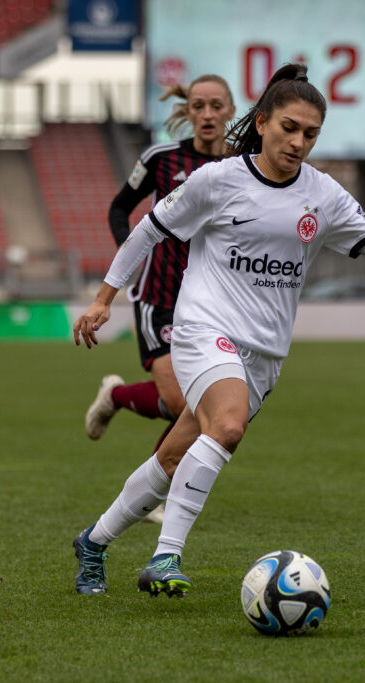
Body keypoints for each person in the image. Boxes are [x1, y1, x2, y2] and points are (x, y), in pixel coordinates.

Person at [70, 63, 365, 597]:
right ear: (262, 123)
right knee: (227, 426)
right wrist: (103, 298)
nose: (298, 142)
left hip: (265, 353)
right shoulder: (218, 180)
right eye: (289, 128)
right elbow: (147, 232)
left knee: (175, 457)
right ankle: (166, 555)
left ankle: (92, 542)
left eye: (311, 134)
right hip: (203, 328)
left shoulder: (322, 193)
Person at [85, 74, 236, 525]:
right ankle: (117, 396)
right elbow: (120, 207)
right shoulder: (161, 158)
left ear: (230, 111)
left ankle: (150, 492)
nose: (207, 114)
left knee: (202, 405)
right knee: (177, 402)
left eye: (216, 106)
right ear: (187, 111)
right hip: (160, 294)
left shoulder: (243, 164)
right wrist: (127, 254)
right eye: (198, 105)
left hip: (214, 302)